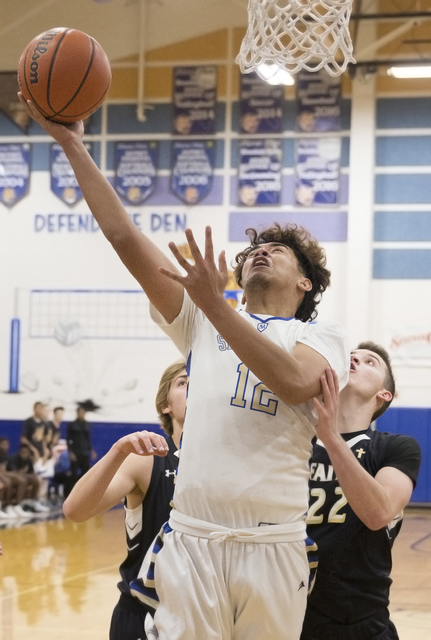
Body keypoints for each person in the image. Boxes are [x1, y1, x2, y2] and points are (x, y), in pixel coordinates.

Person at [19, 94, 350, 640]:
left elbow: (293, 382)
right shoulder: (201, 317)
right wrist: (71, 143)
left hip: (273, 543)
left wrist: (218, 305)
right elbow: (124, 237)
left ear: (306, 282)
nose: (260, 250)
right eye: (254, 248)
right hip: (193, 538)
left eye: (278, 248)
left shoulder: (321, 337)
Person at [301, 342, 421, 640]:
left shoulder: (395, 448)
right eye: (351, 356)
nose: (355, 359)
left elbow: (378, 513)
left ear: (384, 394)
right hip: (289, 617)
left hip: (358, 624)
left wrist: (330, 437)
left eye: (371, 362)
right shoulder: (294, 444)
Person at [63, 360, 187, 640]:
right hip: (145, 616)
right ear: (165, 404)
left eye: (201, 382)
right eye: (183, 382)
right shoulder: (147, 461)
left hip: (206, 614)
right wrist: (118, 451)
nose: (193, 388)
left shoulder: (227, 465)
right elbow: (75, 510)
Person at [66, 400, 98, 486]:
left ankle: (83, 493)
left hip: (85, 452)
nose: (82, 414)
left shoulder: (87, 424)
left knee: (85, 474)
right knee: (74, 474)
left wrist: (92, 450)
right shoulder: (72, 425)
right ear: (77, 413)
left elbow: (88, 439)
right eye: (80, 412)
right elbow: (68, 439)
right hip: (76, 452)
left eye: (83, 412)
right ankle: (71, 493)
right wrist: (71, 452)